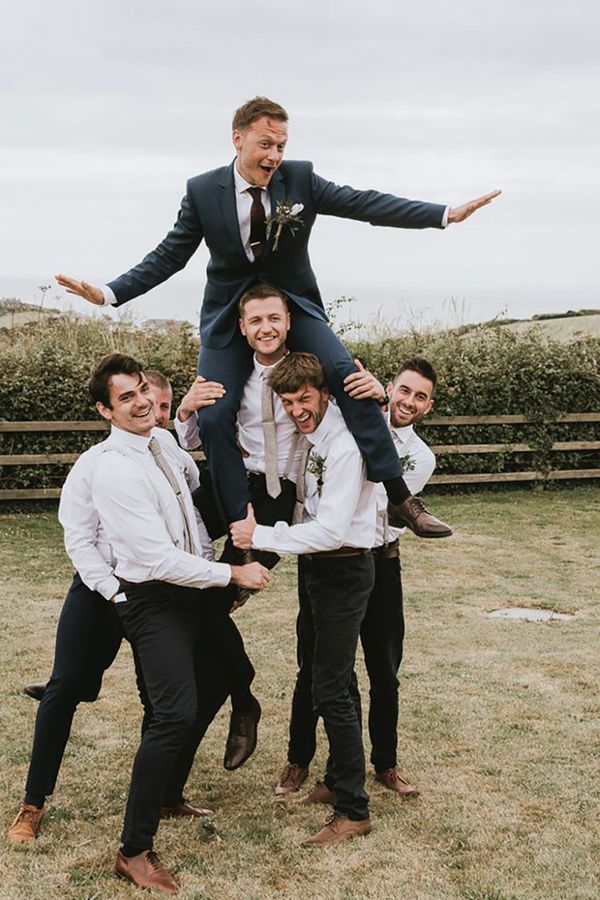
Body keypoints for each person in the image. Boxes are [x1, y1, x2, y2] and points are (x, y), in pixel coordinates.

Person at [55, 95, 499, 538]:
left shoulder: (299, 179)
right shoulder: (202, 192)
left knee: (350, 380)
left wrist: (443, 215)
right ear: (238, 139)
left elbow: (363, 204)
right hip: (230, 315)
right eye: (265, 144)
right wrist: (109, 292)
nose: (274, 156)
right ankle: (237, 519)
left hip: (293, 305)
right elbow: (168, 256)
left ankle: (401, 499)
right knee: (211, 413)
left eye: (281, 146)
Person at [230, 352, 378, 848]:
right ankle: (337, 780)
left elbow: (333, 529)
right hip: (318, 570)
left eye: (304, 398)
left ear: (325, 393)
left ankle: (353, 809)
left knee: (332, 687)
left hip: (345, 567)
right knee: (325, 675)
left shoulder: (345, 445)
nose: (296, 409)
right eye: (288, 401)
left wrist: (261, 536)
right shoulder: (314, 438)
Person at [275, 357, 439, 802]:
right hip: (322, 556)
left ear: (427, 406)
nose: (408, 401)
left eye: (419, 396)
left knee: (383, 670)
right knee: (316, 663)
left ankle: (385, 763)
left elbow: (382, 496)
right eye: (403, 390)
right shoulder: (347, 423)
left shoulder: (418, 456)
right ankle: (299, 758)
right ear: (389, 387)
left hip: (378, 561)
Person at [22, 370, 180, 704]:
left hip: (153, 584)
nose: (158, 412)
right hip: (107, 582)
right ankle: (71, 686)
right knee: (67, 682)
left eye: (167, 406)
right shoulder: (97, 463)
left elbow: (191, 508)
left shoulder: (166, 448)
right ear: (105, 410)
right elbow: (79, 539)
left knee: (152, 686)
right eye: (127, 397)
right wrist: (112, 590)